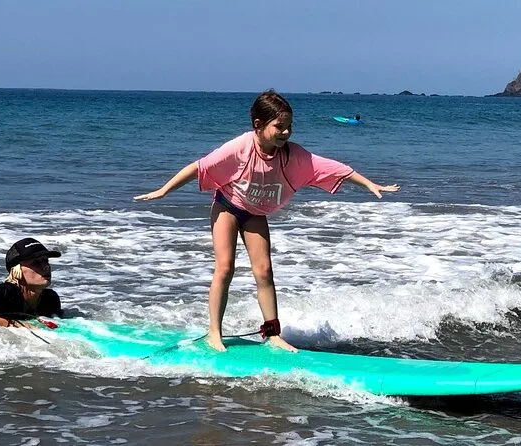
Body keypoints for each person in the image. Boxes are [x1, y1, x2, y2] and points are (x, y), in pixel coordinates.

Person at [134, 90, 399, 352]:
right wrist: (164, 190)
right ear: (258, 125)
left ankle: (272, 335)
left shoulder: (293, 156)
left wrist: (369, 184)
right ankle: (214, 332)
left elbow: (333, 168)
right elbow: (199, 167)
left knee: (264, 271)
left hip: (255, 212)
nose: (286, 132)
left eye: (289, 126)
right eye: (279, 127)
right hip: (227, 206)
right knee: (225, 267)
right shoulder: (240, 147)